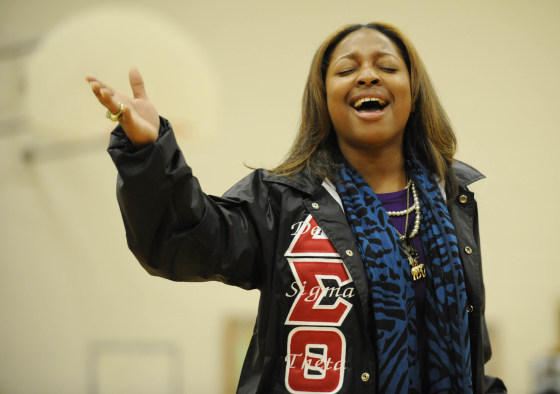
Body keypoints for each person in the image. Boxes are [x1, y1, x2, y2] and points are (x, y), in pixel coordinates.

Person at [87, 22, 506, 393]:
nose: (367, 76)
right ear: (324, 98)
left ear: (412, 93)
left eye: (387, 67)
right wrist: (150, 154)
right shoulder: (280, 199)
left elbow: (471, 354)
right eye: (346, 69)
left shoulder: (453, 202)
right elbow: (182, 242)